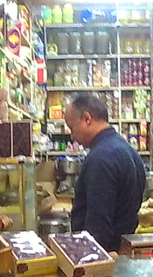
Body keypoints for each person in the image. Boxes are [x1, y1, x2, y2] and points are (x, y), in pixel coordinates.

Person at [63, 93, 146, 252]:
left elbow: (98, 229)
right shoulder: (128, 150)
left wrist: (88, 264)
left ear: (87, 119)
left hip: (104, 258)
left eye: (72, 128)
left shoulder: (100, 159)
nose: (72, 136)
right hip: (123, 253)